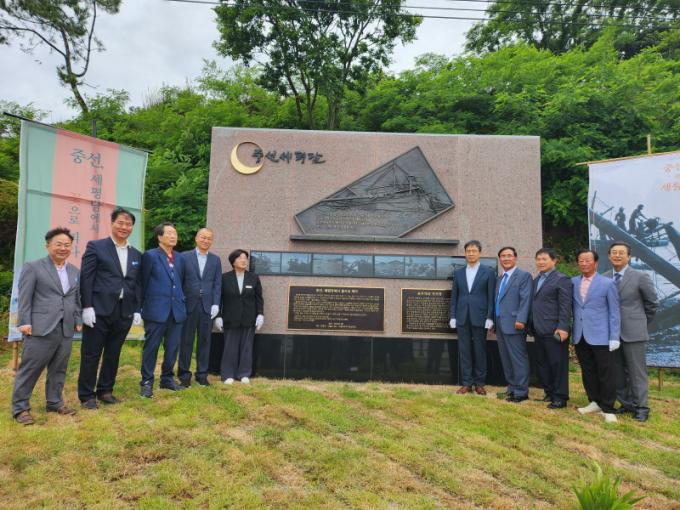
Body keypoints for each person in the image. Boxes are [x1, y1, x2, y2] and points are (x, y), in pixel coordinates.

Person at [12, 228, 82, 425]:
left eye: (67, 245)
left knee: (59, 368)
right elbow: (24, 297)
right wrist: (24, 322)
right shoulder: (33, 267)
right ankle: (20, 408)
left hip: (65, 327)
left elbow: (76, 298)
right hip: (40, 327)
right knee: (30, 369)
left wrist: (77, 319)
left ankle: (54, 402)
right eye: (58, 244)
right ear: (48, 246)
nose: (63, 248)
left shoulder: (74, 271)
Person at [77, 208, 142, 409]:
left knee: (113, 353)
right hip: (98, 310)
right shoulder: (97, 247)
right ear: (112, 223)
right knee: (91, 353)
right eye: (120, 223)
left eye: (128, 224)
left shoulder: (136, 254)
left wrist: (137, 308)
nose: (124, 227)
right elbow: (86, 278)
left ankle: (105, 390)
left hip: (123, 311)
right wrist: (87, 306)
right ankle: (87, 395)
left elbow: (137, 283)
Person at [605, 242, 658, 422]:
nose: (617, 255)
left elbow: (652, 303)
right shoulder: (604, 277)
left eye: (621, 253)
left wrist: (640, 322)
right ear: (609, 256)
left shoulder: (640, 277)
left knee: (637, 372)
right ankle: (626, 404)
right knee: (618, 372)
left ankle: (642, 407)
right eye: (614, 252)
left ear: (629, 256)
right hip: (612, 334)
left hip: (634, 332)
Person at [572, 249, 621, 423]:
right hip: (580, 334)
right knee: (588, 371)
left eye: (588, 260)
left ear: (596, 263)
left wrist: (614, 336)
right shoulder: (573, 282)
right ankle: (594, 401)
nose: (584, 263)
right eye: (581, 261)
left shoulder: (607, 283)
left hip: (601, 335)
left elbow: (614, 312)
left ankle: (608, 407)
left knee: (605, 372)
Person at [139, 222, 187, 398]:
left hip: (177, 310)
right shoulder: (150, 256)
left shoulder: (180, 258)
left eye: (175, 233)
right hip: (156, 310)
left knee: (172, 347)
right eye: (169, 233)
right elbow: (142, 283)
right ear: (159, 237)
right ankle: (146, 382)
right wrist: (139, 307)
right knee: (151, 348)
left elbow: (182, 282)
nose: (173, 236)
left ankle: (167, 379)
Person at [448, 240, 495, 395]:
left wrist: (490, 317)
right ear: (465, 253)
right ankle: (466, 383)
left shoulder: (488, 273)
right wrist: (452, 315)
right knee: (464, 351)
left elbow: (491, 297)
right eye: (468, 251)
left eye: (474, 251)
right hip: (462, 317)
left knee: (480, 350)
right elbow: (454, 296)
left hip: (480, 317)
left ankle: (479, 383)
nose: (471, 253)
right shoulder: (458, 273)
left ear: (479, 253)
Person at [528, 248, 572, 409]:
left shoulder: (562, 279)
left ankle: (560, 397)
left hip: (555, 330)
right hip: (538, 329)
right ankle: (550, 392)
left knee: (557, 365)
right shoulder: (536, 280)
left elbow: (565, 306)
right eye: (538, 259)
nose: (540, 262)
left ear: (554, 261)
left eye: (544, 259)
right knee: (543, 364)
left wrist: (563, 327)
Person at [178, 228, 222, 387]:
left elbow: (217, 283)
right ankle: (184, 375)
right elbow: (179, 280)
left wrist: (216, 303)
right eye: (203, 237)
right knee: (186, 341)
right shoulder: (184, 257)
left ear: (212, 241)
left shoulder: (215, 260)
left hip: (207, 307)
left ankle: (202, 374)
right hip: (188, 305)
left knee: (205, 342)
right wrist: (180, 301)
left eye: (209, 238)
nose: (206, 240)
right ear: (196, 238)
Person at [214, 249, 264, 384]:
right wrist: (218, 316)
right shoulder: (224, 278)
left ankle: (244, 374)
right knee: (230, 347)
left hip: (249, 318)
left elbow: (259, 298)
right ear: (233, 261)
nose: (243, 260)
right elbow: (218, 298)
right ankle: (228, 374)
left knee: (247, 347)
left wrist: (260, 314)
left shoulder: (253, 278)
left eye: (245, 258)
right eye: (240, 258)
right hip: (230, 318)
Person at [494, 247, 533, 403]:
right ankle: (512, 388)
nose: (506, 258)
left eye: (509, 255)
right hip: (500, 324)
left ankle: (521, 392)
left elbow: (526, 299)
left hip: (515, 324)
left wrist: (521, 320)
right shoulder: (500, 278)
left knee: (518, 359)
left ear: (515, 258)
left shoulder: (523, 276)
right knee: (506, 359)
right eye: (503, 256)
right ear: (500, 259)